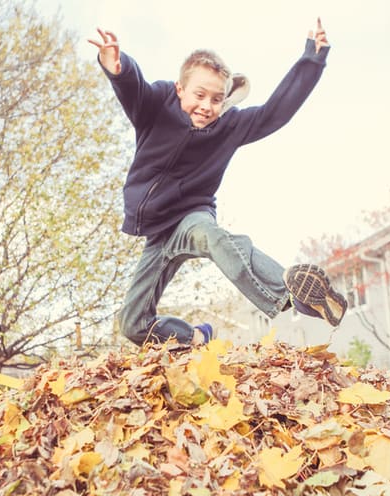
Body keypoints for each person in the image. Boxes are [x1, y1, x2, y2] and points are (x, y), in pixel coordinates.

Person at [88, 18, 347, 347]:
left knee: (213, 238)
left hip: (191, 217)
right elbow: (133, 87)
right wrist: (118, 68)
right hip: (157, 231)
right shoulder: (155, 105)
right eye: (199, 95)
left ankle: (294, 294)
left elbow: (276, 111)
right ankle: (195, 337)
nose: (207, 106)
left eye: (216, 99)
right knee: (133, 324)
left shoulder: (231, 125)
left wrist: (312, 59)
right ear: (180, 89)